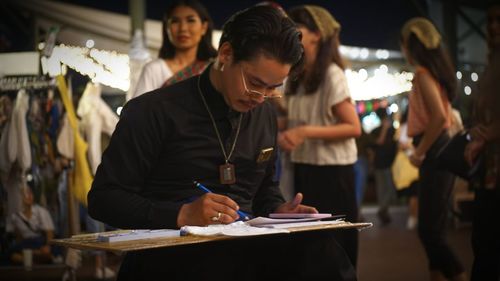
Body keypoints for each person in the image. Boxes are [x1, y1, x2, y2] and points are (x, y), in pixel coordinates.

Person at [88, 6, 357, 281]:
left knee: (323, 250)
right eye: (255, 83)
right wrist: (181, 214)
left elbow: (264, 189)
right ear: (226, 54)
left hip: (245, 249)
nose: (261, 97)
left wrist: (278, 211)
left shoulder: (263, 113)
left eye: (273, 88)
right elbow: (103, 199)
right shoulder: (153, 111)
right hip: (174, 255)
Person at [279, 5, 361, 267]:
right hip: (304, 169)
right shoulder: (295, 77)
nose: (291, 34)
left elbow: (353, 127)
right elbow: (292, 119)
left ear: (317, 35)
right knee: (309, 251)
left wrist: (304, 132)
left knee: (335, 251)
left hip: (333, 173)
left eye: (297, 29)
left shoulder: (332, 75)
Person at [401, 17, 466, 281]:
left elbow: (439, 118)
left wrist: (419, 152)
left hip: (436, 151)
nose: (403, 49)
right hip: (441, 150)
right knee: (432, 229)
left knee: (430, 231)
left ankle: (460, 274)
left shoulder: (423, 74)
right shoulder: (432, 74)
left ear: (411, 45)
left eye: (404, 44)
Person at [464, 3, 500, 280]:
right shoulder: (492, 62)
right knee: (484, 245)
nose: (493, 27)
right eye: (489, 21)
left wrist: (484, 136)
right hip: (487, 171)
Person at [130, 0, 217, 99]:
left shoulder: (213, 69)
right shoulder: (154, 69)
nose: (183, 28)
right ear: (167, 28)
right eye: (175, 21)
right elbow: (140, 111)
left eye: (190, 20)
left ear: (204, 27)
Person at [8, 186, 61, 265]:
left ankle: (35, 259)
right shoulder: (15, 216)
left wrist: (47, 246)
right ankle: (33, 260)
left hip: (40, 242)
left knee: (46, 253)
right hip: (26, 244)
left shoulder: (41, 211)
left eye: (30, 193)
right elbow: (17, 236)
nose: (29, 196)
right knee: (13, 255)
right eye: (25, 194)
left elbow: (49, 233)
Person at [369, 107, 398, 225]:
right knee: (383, 189)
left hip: (391, 163)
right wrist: (384, 129)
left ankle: (383, 210)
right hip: (380, 163)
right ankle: (383, 210)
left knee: (390, 189)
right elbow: (378, 143)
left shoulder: (393, 130)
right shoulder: (376, 131)